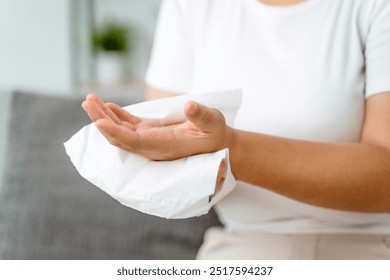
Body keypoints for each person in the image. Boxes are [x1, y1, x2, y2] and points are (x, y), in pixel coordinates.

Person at [82, 0, 390, 259]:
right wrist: (173, 162)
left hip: (372, 246)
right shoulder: (190, 7)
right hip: (241, 248)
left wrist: (232, 148)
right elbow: (171, 152)